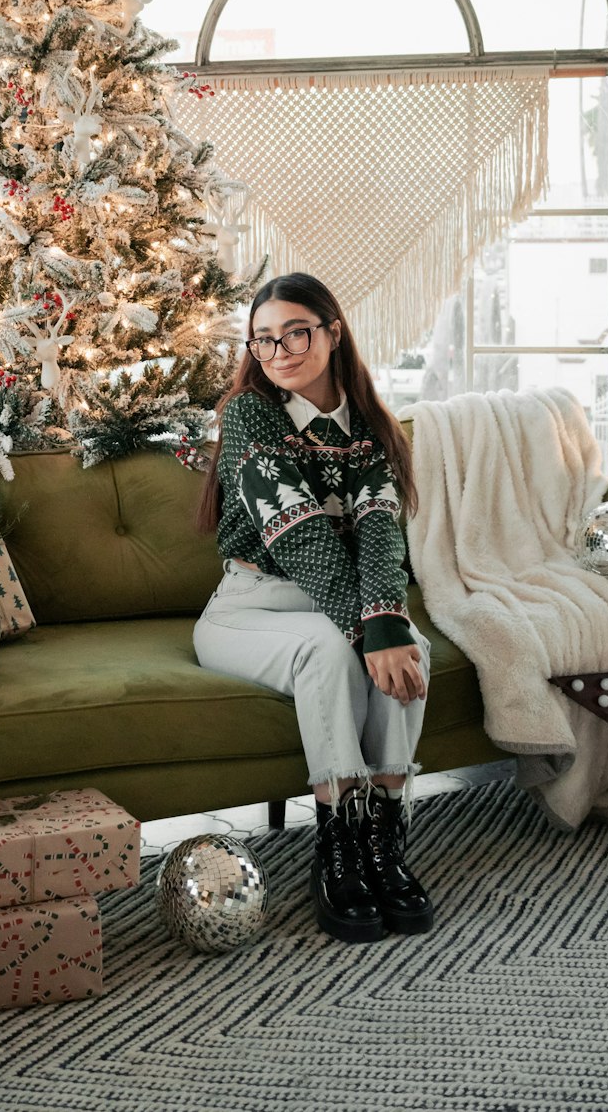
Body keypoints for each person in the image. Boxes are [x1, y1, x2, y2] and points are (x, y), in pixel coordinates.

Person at [194, 272, 434, 942]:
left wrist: (388, 625)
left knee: (409, 640)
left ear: (331, 331)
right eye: (263, 340)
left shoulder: (374, 430)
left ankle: (383, 842)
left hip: (340, 599)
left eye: (295, 332)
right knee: (334, 646)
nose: (279, 352)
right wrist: (368, 631)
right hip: (250, 607)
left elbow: (381, 535)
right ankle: (335, 844)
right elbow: (297, 537)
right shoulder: (250, 415)